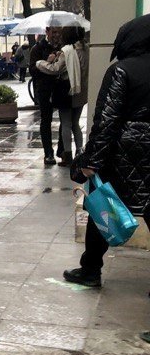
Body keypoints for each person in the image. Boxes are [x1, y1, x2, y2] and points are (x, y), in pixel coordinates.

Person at [63, 16, 150, 289]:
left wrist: (91, 161)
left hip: (125, 154)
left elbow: (107, 121)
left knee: (103, 206)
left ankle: (90, 269)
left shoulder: (122, 70)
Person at [35, 26, 87, 165]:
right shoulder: (86, 48)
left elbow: (55, 69)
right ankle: (80, 152)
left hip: (67, 91)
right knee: (76, 123)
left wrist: (41, 63)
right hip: (82, 91)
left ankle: (67, 154)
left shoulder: (67, 51)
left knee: (66, 123)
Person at [30, 29, 62, 165]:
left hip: (61, 87)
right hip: (44, 89)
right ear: (47, 32)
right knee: (46, 120)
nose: (56, 35)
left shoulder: (63, 48)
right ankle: (48, 152)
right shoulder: (38, 48)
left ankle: (62, 150)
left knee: (65, 120)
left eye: (58, 32)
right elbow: (32, 70)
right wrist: (46, 62)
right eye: (53, 32)